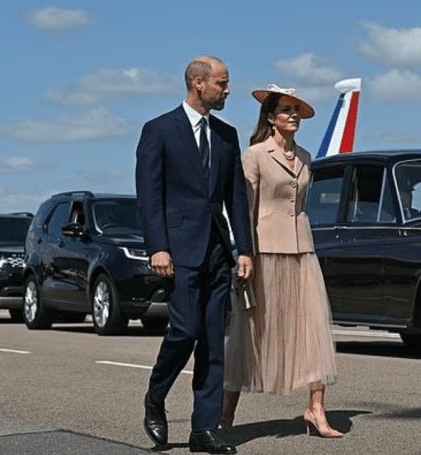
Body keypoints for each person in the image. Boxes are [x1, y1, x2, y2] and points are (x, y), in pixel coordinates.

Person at [135, 56, 253, 454]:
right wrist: (158, 247)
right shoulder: (159, 130)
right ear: (198, 83)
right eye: (222, 83)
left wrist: (244, 250)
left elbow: (236, 197)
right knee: (185, 331)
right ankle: (155, 397)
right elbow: (150, 195)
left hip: (218, 251)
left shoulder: (226, 135)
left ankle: (204, 429)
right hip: (179, 249)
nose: (227, 90)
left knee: (213, 343)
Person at [221, 85, 342, 438]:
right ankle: (225, 415)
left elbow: (300, 206)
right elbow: (245, 208)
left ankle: (316, 409)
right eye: (286, 110)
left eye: (296, 110)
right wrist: (245, 252)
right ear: (271, 117)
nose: (293, 115)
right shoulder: (255, 155)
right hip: (265, 251)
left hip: (303, 251)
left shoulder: (305, 157)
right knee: (250, 331)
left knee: (312, 327)